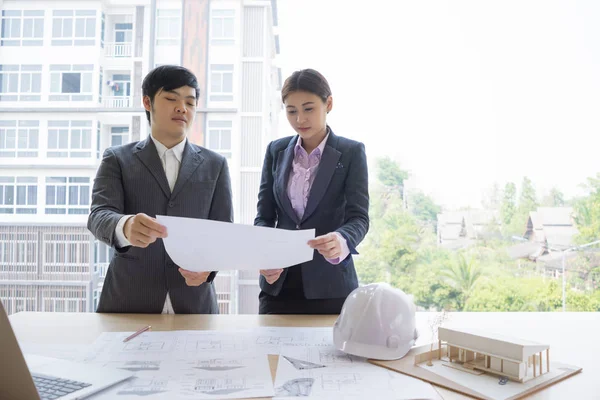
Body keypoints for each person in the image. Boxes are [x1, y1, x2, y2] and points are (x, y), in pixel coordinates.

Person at [88, 65, 233, 314]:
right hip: (129, 299)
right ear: (147, 102)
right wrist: (125, 225)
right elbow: (99, 215)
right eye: (171, 98)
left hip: (194, 303)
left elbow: (223, 231)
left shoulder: (215, 164)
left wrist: (210, 267)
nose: (182, 108)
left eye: (190, 102)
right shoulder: (117, 158)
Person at [254, 68, 370, 314]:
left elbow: (359, 217)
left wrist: (341, 239)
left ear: (328, 104)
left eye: (308, 109)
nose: (300, 120)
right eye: (291, 110)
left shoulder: (351, 153)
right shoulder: (276, 151)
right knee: (269, 351)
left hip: (331, 285)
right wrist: (265, 252)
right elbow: (264, 216)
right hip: (278, 284)